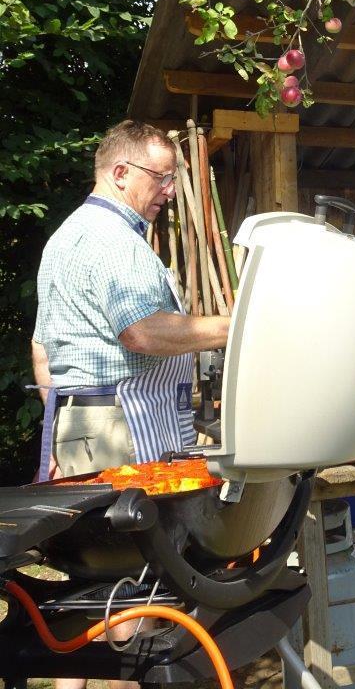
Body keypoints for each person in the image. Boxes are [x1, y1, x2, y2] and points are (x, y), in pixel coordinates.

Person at [32, 119, 231, 689]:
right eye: (161, 177)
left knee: (90, 593)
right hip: (125, 434)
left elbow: (42, 348)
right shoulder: (113, 241)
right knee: (134, 599)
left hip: (86, 428)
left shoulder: (67, 236)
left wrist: (70, 422)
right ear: (121, 173)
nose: (169, 189)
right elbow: (142, 331)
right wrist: (240, 326)